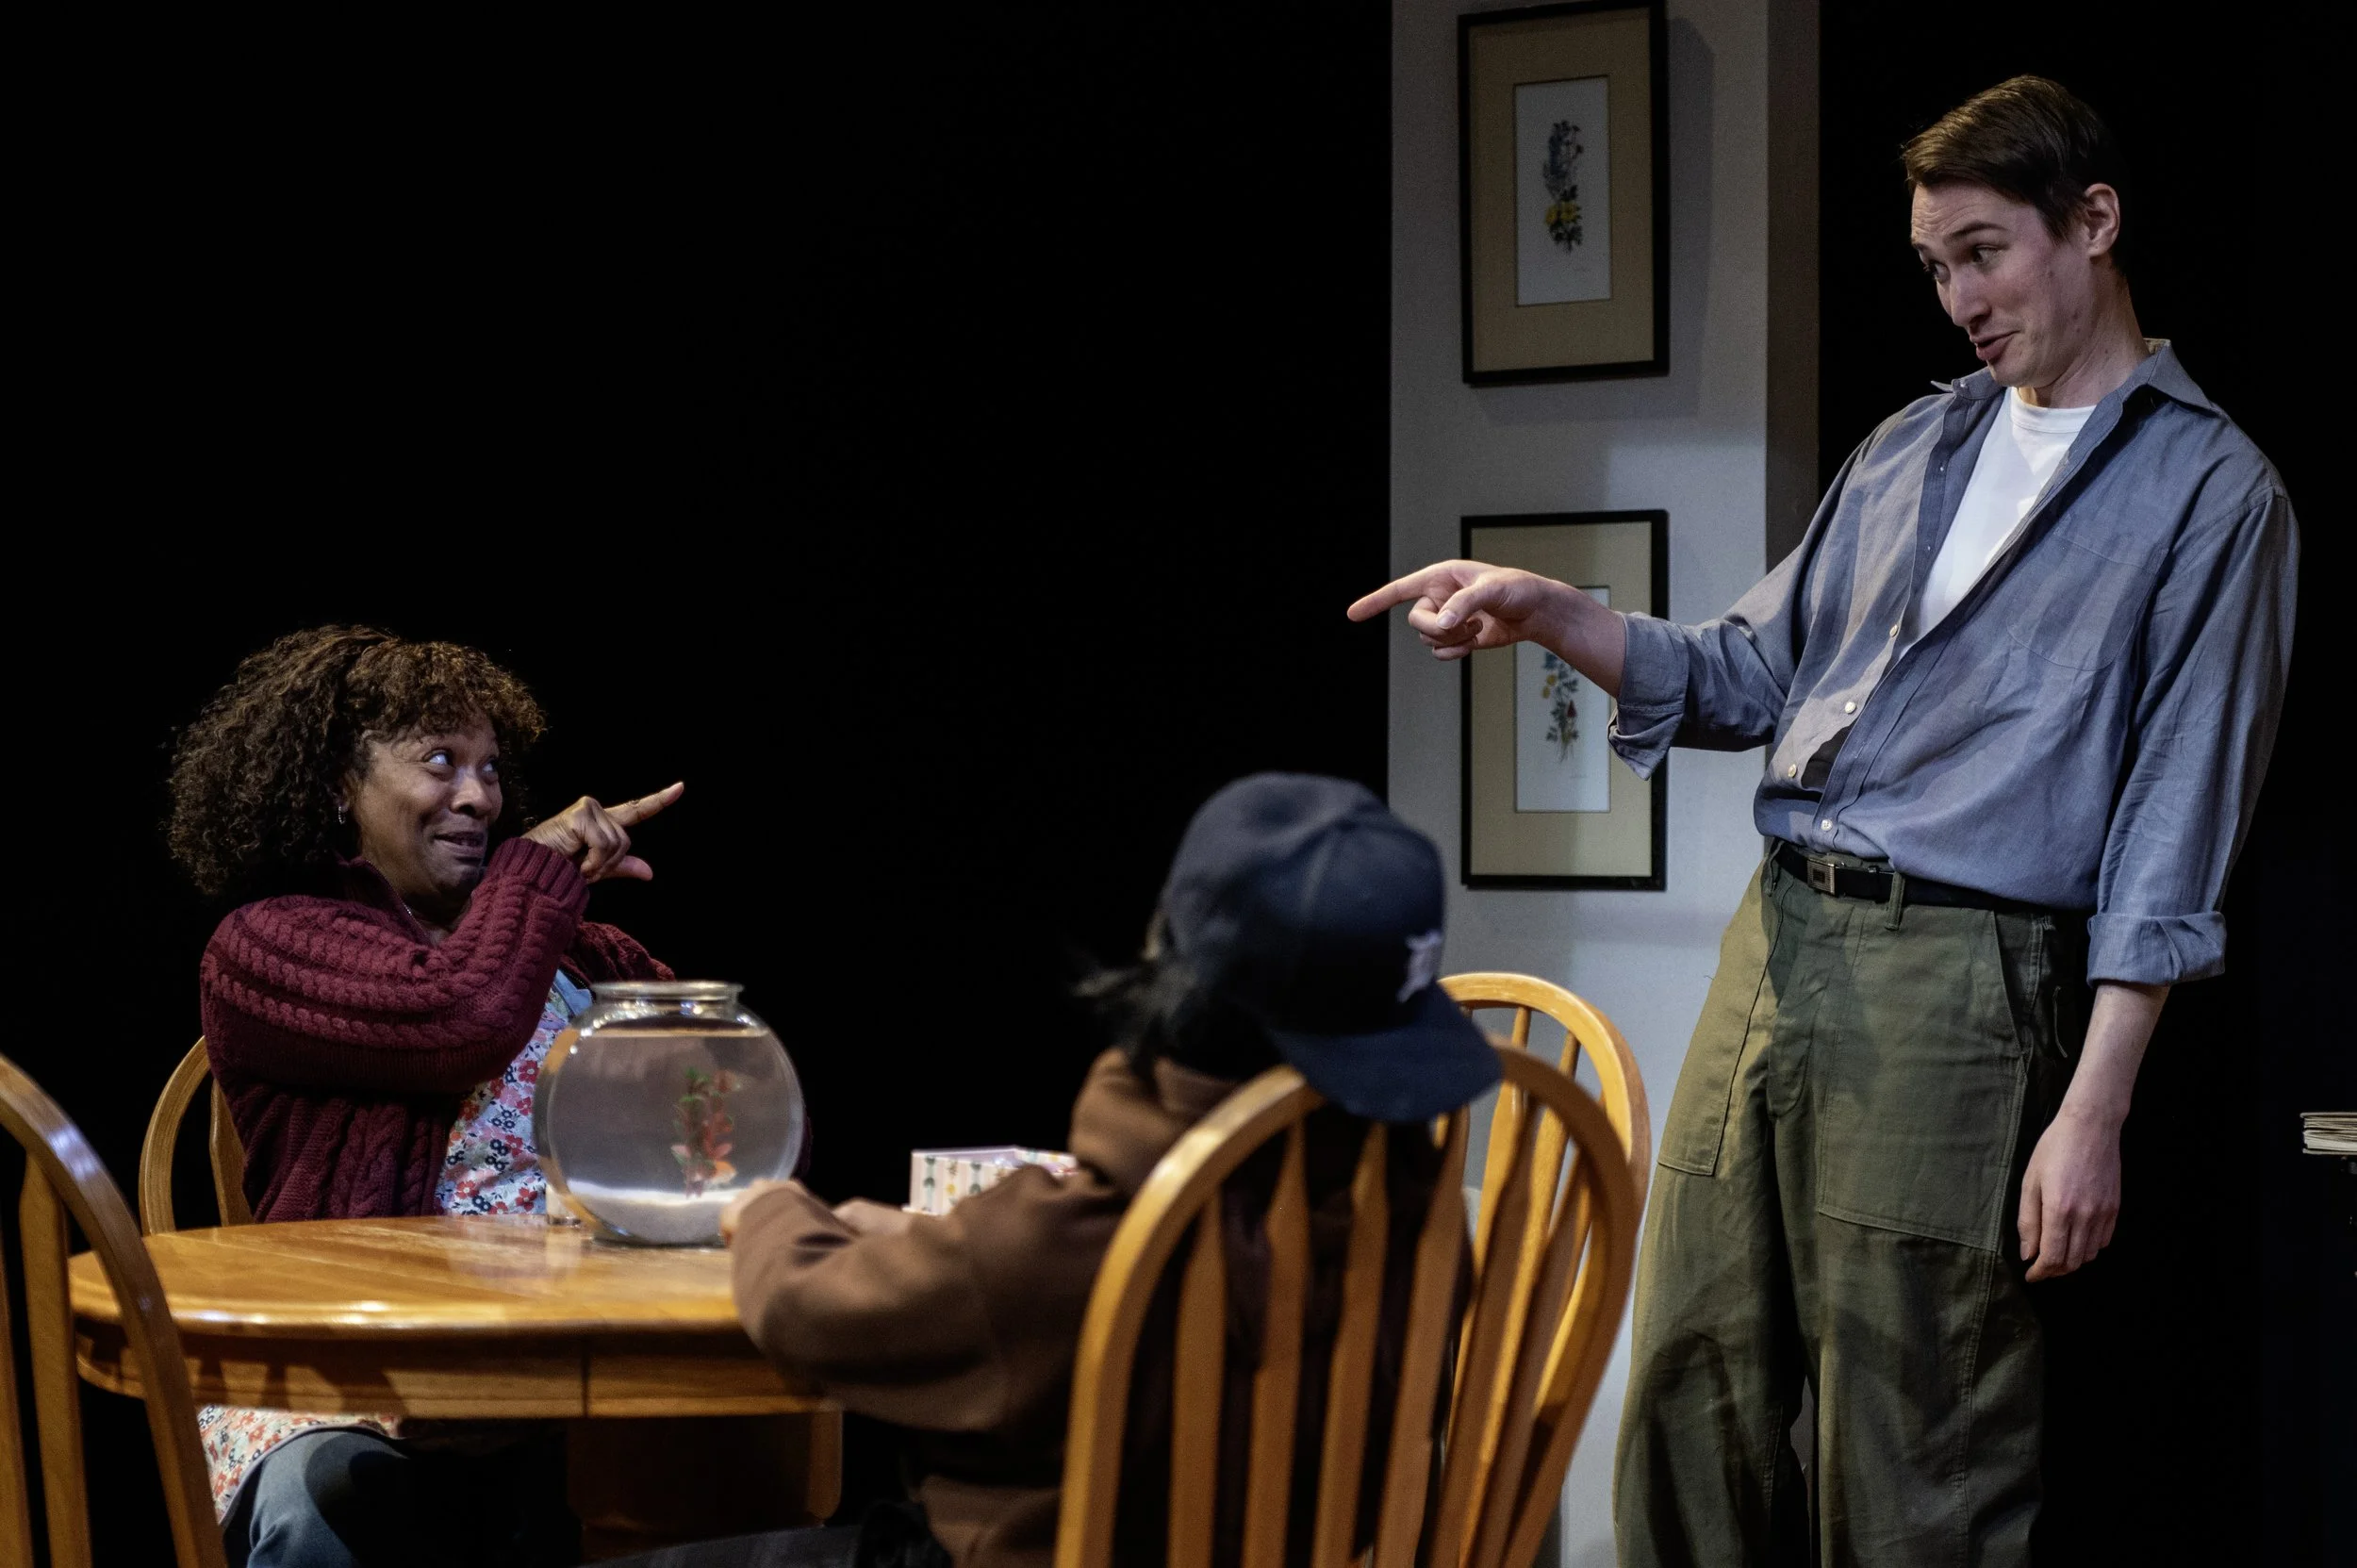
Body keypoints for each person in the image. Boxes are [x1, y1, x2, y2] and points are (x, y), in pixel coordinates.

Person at [1349, 76, 2296, 1565]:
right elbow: (1750, 672)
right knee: (1689, 1384)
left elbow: (2175, 822)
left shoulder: (2212, 494)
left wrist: (2095, 1106)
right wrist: (1554, 615)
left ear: (2095, 222)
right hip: (1778, 933)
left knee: (1915, 1444)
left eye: (1983, 253)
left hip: (1961, 981)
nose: (1959, 300)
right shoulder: (1916, 444)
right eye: (1934, 266)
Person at [658, 773, 1501, 1568]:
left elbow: (807, 1311)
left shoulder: (1076, 1245)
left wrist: (771, 1210)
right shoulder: (1413, 1218)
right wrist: (926, 1239)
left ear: (1170, 967)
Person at [169, 624, 682, 1566]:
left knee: (732, 1459)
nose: (481, 797)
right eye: (441, 760)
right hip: (363, 1384)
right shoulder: (273, 941)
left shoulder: (575, 952)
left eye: (490, 768)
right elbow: (461, 1016)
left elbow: (727, 1120)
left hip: (575, 1375)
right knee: (328, 1494)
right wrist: (534, 875)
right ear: (338, 784)